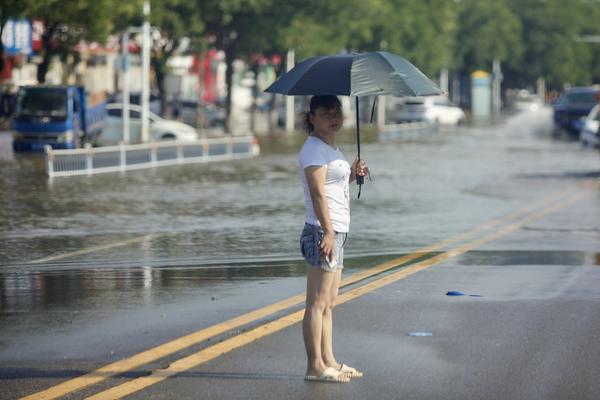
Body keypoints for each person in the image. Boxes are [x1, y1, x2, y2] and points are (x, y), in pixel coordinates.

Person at [298, 95, 368, 383]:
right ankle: (314, 366)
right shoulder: (313, 149)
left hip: (337, 230)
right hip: (321, 230)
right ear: (312, 117)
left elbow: (333, 185)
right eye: (326, 113)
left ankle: (329, 360)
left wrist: (352, 174)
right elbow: (317, 194)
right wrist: (327, 231)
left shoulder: (330, 147)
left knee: (329, 303)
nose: (333, 117)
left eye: (336, 112)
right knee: (316, 302)